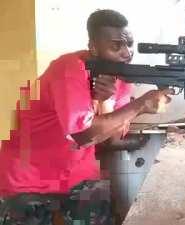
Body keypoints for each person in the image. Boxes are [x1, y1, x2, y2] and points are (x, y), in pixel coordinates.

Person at [0, 9, 172, 225]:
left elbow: (110, 139)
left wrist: (105, 100)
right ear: (93, 47)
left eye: (129, 44)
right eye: (116, 46)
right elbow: (82, 135)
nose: (126, 53)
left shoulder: (121, 75)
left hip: (76, 173)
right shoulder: (69, 68)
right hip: (27, 177)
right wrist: (140, 105)